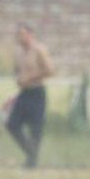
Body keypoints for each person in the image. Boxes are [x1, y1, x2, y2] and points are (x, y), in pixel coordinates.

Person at [7, 22, 53, 169]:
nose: (20, 38)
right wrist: (19, 79)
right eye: (18, 35)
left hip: (37, 92)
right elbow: (16, 70)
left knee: (35, 128)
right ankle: (31, 153)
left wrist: (30, 77)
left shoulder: (39, 50)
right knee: (12, 124)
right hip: (24, 92)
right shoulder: (18, 51)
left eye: (23, 35)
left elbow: (50, 70)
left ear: (30, 35)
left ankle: (31, 162)